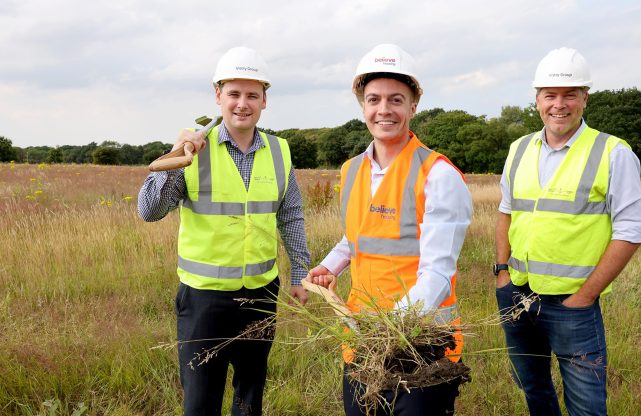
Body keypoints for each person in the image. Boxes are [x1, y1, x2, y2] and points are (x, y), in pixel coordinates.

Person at [137, 46, 311, 416]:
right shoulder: (192, 150)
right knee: (201, 402)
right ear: (218, 96)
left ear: (265, 100)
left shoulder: (280, 151)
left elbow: (291, 213)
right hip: (204, 300)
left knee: (250, 397)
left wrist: (299, 271)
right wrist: (174, 157)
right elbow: (149, 211)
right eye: (234, 93)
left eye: (252, 95)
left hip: (262, 295)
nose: (242, 104)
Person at [306, 43, 473, 416]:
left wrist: (391, 333)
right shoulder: (352, 171)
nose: (384, 110)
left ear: (413, 106)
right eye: (374, 99)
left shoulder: (438, 175)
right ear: (362, 106)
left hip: (423, 344)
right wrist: (330, 266)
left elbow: (438, 273)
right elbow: (358, 236)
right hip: (361, 339)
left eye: (396, 100)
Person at [494, 47, 641, 416]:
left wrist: (584, 296)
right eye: (550, 95)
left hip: (573, 305)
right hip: (517, 295)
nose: (558, 105)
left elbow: (630, 232)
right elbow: (506, 213)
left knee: (586, 407)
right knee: (533, 390)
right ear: (537, 100)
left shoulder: (612, 152)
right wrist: (502, 276)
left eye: (569, 95)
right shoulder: (518, 149)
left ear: (585, 99)